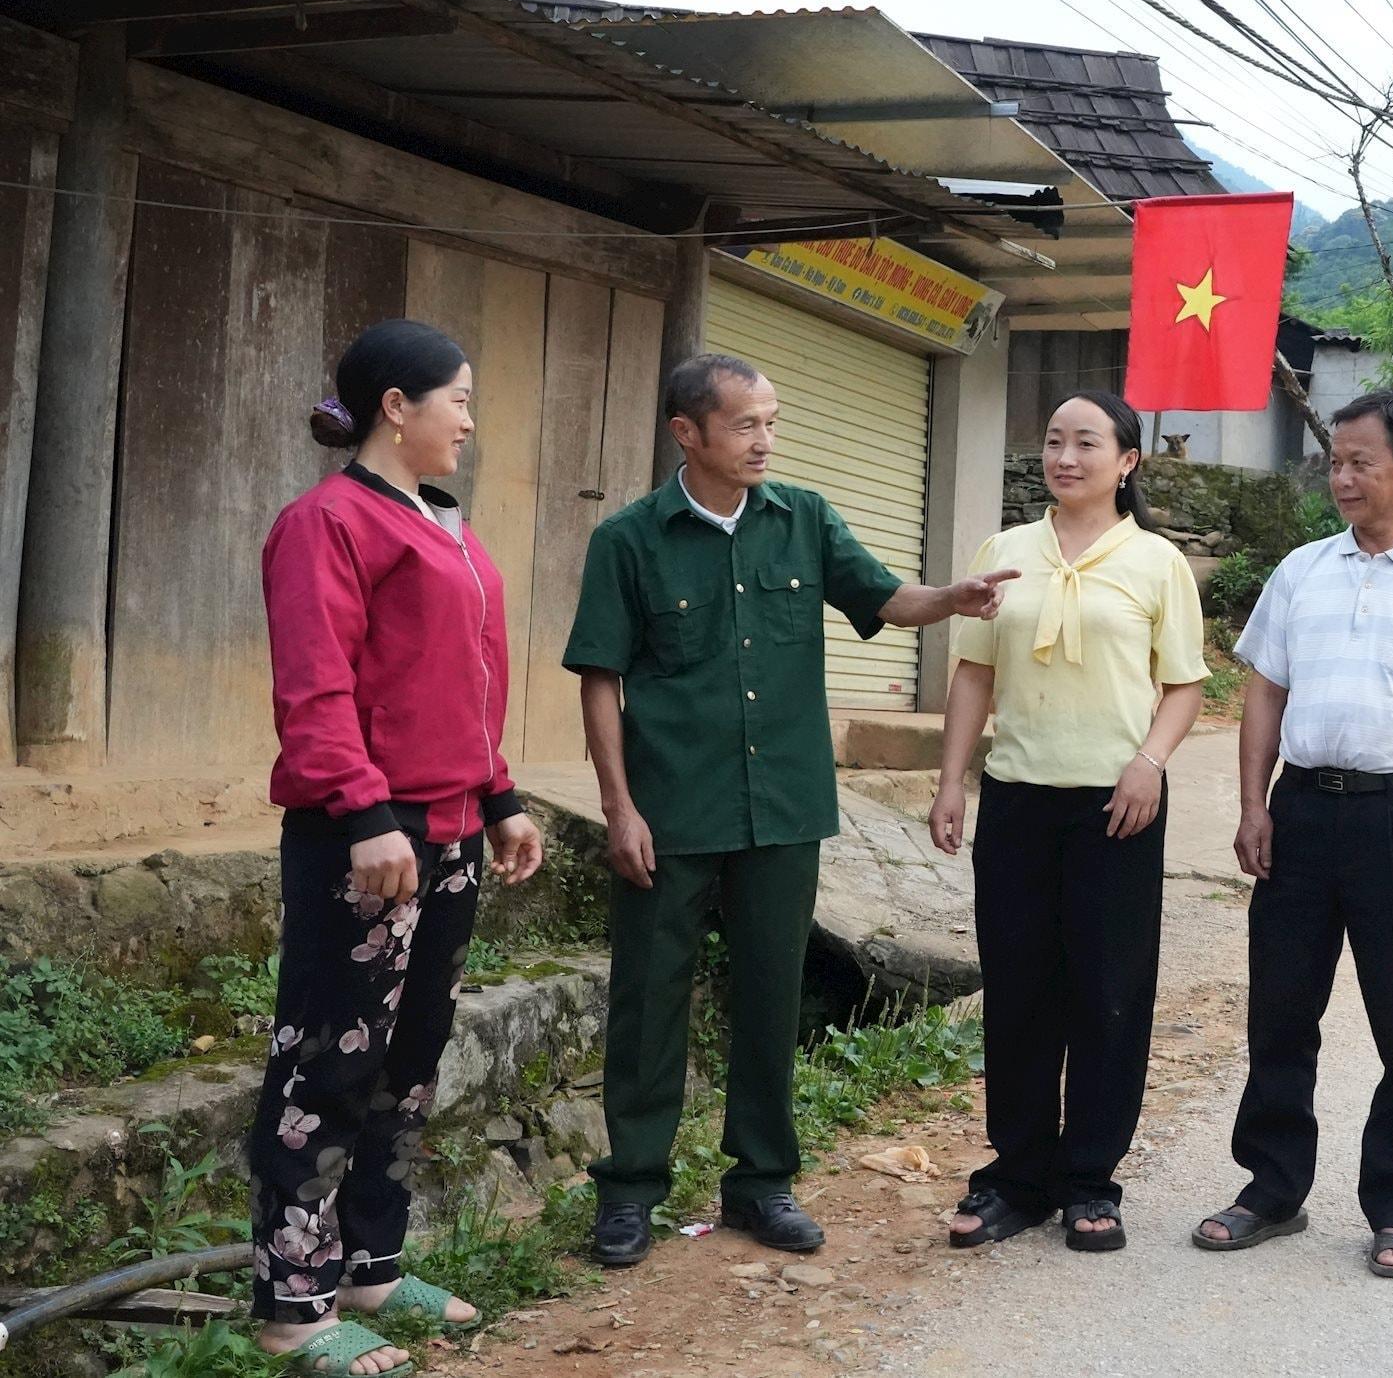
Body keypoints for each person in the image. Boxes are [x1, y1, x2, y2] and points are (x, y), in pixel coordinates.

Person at [562, 354, 1014, 1270]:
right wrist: (619, 807)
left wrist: (954, 600)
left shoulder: (804, 518)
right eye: (745, 424)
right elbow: (602, 679)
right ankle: (631, 1190)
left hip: (783, 807)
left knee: (772, 998)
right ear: (687, 433)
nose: (765, 439)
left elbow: (884, 598)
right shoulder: (629, 541)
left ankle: (762, 1183)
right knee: (649, 1002)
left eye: (772, 421)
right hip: (671, 810)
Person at [251, 319, 546, 1378]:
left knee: (406, 1063)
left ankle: (371, 1263)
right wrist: (366, 812)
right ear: (396, 406)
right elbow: (316, 686)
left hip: (455, 828)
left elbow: (462, 686)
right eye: (457, 398)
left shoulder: (448, 527)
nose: (468, 419)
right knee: (326, 1065)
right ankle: (292, 1305)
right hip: (366, 832)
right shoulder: (326, 522)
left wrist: (500, 793)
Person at [1192, 389, 1393, 1280]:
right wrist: (1253, 802)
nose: (1341, 477)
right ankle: (1271, 1188)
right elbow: (1264, 689)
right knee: (1282, 1011)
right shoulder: (1302, 571)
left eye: (1359, 462)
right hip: (1301, 813)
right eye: (1334, 461)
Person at [928, 391, 1208, 1253]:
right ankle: (1017, 1176)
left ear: (1127, 461)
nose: (1065, 457)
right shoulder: (1005, 552)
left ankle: (1090, 1179)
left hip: (1117, 808)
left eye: (1087, 443)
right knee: (1018, 991)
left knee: (1108, 994)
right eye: (1054, 441)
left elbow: (1185, 682)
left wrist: (1149, 763)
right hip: (1017, 797)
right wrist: (951, 780)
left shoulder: (1158, 562)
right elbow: (973, 673)